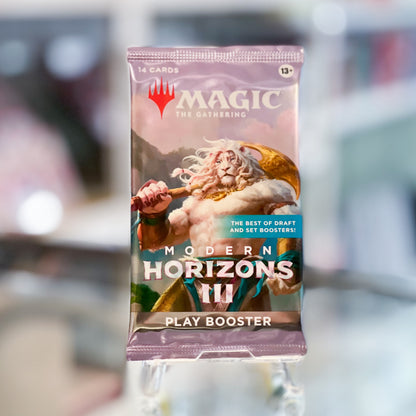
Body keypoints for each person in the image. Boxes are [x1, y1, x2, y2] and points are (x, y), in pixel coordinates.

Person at [133, 139, 302, 312]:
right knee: (158, 322)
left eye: (233, 159)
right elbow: (155, 241)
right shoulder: (195, 204)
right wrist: (154, 215)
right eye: (219, 161)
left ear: (246, 164)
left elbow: (287, 221)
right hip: (196, 277)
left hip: (242, 277)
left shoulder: (262, 194)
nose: (225, 166)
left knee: (245, 328)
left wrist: (289, 262)